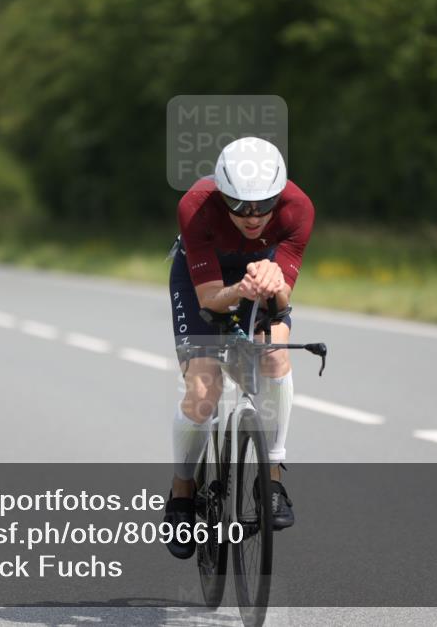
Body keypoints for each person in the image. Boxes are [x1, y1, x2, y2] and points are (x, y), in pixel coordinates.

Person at [164, 136, 314, 559]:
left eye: (263, 205)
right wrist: (241, 290)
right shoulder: (196, 204)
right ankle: (181, 495)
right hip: (206, 277)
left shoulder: (297, 208)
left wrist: (272, 287)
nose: (252, 217)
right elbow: (211, 299)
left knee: (275, 356)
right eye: (239, 205)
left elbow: (281, 304)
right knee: (202, 393)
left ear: (279, 194)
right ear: (222, 194)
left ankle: (272, 481)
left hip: (261, 270)